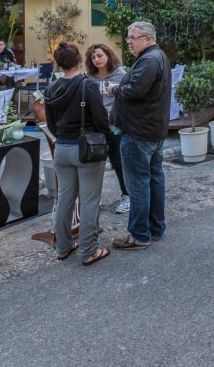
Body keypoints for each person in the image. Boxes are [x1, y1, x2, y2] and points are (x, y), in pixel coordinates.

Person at [44, 42, 111, 266]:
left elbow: (50, 123)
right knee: (89, 200)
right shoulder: (87, 85)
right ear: (80, 61)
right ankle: (89, 249)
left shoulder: (51, 88)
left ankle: (63, 246)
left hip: (62, 147)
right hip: (85, 149)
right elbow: (101, 118)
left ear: (58, 64)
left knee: (65, 198)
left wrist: (63, 136)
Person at [109, 21, 171, 250]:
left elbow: (135, 90)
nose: (129, 42)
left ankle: (138, 235)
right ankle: (155, 228)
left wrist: (114, 89)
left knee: (138, 184)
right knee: (153, 180)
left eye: (133, 37)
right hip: (151, 130)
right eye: (128, 38)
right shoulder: (157, 57)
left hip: (138, 132)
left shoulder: (149, 59)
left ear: (147, 39)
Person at [85, 43, 129, 215]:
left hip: (115, 127)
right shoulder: (89, 78)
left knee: (118, 162)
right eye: (93, 57)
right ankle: (95, 199)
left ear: (108, 56)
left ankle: (127, 195)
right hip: (96, 128)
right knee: (95, 164)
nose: (97, 59)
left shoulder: (121, 75)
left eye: (100, 55)